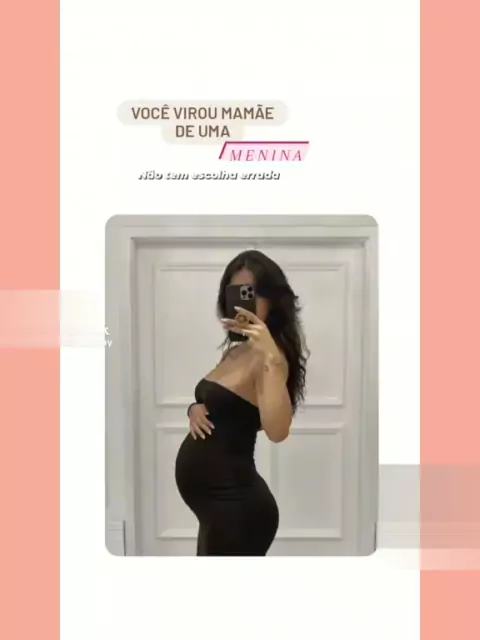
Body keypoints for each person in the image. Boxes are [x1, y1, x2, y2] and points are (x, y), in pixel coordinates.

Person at [175, 250, 308, 556]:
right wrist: (193, 409)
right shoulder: (235, 352)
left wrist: (271, 355)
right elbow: (221, 404)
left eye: (251, 293)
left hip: (238, 510)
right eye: (235, 292)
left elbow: (277, 431)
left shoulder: (271, 359)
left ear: (272, 300)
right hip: (214, 512)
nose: (241, 302)